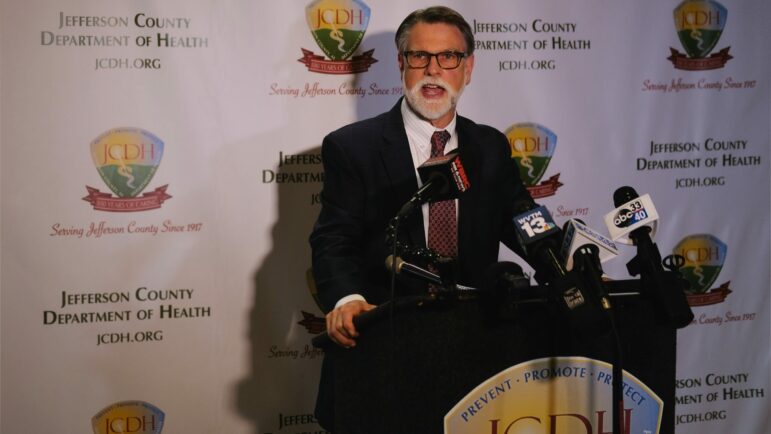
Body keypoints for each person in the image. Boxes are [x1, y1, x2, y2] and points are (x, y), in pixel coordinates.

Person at [309, 5, 533, 429]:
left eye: (449, 57)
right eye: (419, 57)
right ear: (401, 64)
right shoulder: (351, 147)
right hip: (386, 351)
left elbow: (525, 221)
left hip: (475, 353)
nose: (434, 70)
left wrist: (571, 262)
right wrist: (346, 298)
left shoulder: (489, 147)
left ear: (468, 68)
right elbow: (334, 238)